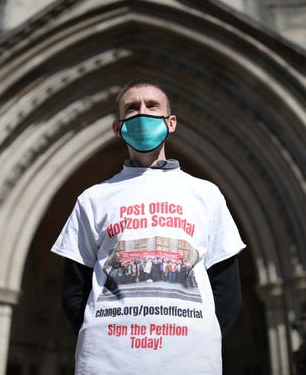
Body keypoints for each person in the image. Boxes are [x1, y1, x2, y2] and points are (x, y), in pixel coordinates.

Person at [51, 78, 246, 374]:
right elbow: (73, 289)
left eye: (152, 106)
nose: (142, 113)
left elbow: (227, 289)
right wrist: (102, 336)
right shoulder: (93, 198)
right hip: (108, 362)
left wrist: (198, 338)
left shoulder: (206, 194)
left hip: (189, 362)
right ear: (118, 127)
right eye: (131, 108)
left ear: (171, 122)